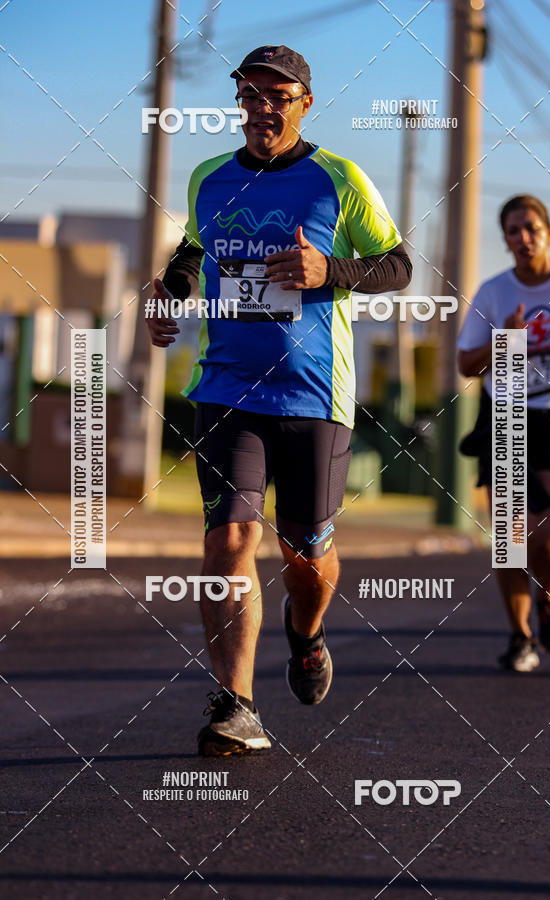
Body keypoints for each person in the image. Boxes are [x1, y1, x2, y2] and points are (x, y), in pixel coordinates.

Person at [146, 45, 412, 754]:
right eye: (251, 93)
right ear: (239, 100)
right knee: (229, 538)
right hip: (226, 388)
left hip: (313, 395)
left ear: (304, 104)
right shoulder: (210, 177)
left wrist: (333, 268)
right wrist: (166, 291)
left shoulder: (337, 179)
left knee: (304, 554)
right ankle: (236, 705)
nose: (263, 106)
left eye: (279, 95)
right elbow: (193, 254)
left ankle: (308, 632)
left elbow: (399, 265)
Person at [457, 194, 550, 672]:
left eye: (532, 228)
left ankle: (548, 600)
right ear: (505, 240)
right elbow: (465, 363)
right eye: (513, 230)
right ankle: (520, 637)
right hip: (508, 414)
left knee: (544, 531)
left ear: (549, 232)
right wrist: (505, 343)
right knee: (508, 538)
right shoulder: (494, 292)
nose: (523, 237)